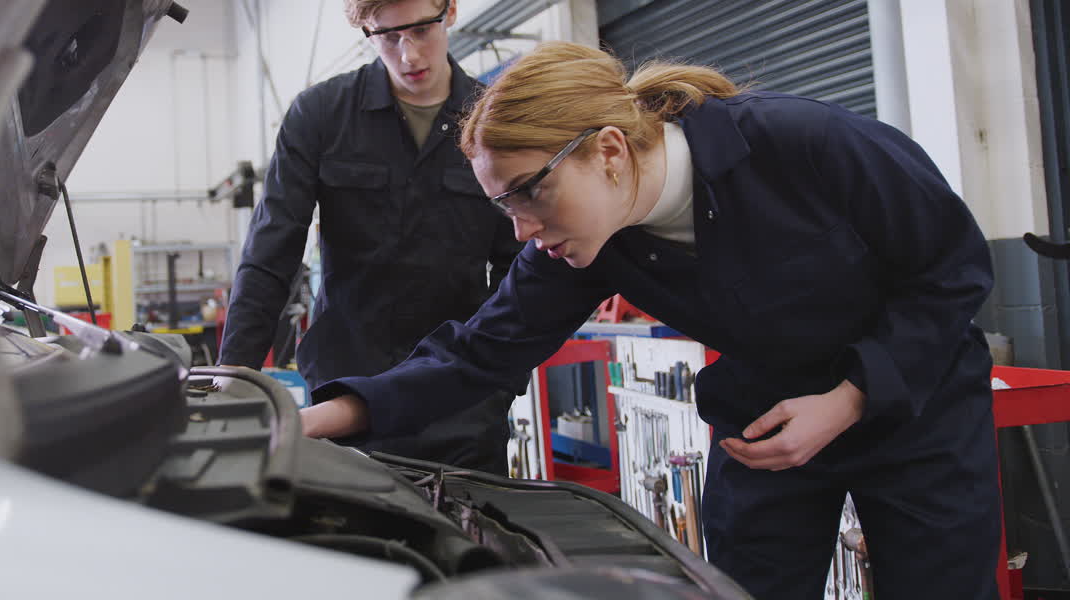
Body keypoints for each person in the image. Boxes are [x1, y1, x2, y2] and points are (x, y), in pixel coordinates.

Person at [302, 41, 1000, 599]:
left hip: (916, 409)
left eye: (526, 195)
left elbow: (954, 270)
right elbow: (476, 354)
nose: (520, 231)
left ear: (608, 150)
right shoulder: (587, 247)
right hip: (764, 423)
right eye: (503, 208)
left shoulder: (809, 143)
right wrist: (302, 422)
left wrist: (849, 399)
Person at [219, 0, 522, 475]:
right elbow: (271, 251)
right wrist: (231, 379)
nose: (409, 54)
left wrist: (499, 383)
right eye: (387, 37)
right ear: (365, 30)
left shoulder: (496, 121)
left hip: (461, 400)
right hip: (344, 396)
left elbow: (517, 267)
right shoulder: (319, 117)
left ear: (449, 10)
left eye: (422, 29)